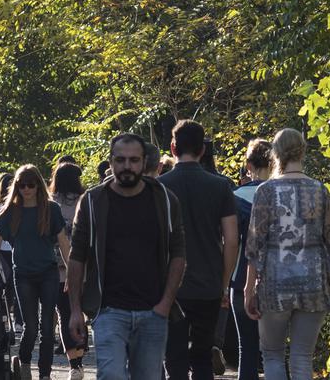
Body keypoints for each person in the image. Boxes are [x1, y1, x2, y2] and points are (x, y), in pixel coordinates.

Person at [67, 133, 186, 380]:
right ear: (111, 162)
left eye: (134, 160)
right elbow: (77, 256)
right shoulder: (92, 201)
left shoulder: (164, 200)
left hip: (153, 311)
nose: (127, 166)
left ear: (144, 163)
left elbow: (178, 254)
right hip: (109, 310)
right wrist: (76, 309)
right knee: (111, 375)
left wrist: (164, 305)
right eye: (120, 160)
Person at [244, 128, 330, 380]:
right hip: (313, 285)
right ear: (303, 150)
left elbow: (255, 245)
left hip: (274, 286)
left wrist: (248, 289)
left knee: (273, 354)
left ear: (275, 153)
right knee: (302, 357)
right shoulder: (320, 190)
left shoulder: (265, 191)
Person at [157, 120, 238, 380]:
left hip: (169, 286)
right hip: (209, 282)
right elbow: (232, 239)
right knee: (202, 355)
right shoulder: (221, 186)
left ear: (172, 148)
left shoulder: (160, 187)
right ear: (203, 150)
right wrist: (224, 283)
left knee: (174, 356)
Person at [0, 165, 71, 380]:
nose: (26, 189)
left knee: (47, 327)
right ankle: (24, 362)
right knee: (31, 326)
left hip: (48, 272)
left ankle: (45, 374)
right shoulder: (11, 211)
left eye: (30, 184)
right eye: (21, 185)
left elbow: (63, 242)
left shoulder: (51, 209)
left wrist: (71, 272)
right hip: (23, 274)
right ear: (16, 187)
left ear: (38, 185)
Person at [230, 139, 272, 380]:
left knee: (246, 346)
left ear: (248, 164)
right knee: (275, 350)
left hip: (240, 278)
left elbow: (231, 242)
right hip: (277, 278)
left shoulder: (236, 197)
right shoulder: (282, 195)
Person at [49, 162, 87, 379]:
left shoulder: (50, 203)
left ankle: (75, 363)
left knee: (65, 313)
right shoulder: (85, 200)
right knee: (82, 310)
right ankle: (81, 355)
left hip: (57, 267)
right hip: (82, 264)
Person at [0, 173, 22, 331]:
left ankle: (19, 321)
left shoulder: (20, 204)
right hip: (0, 250)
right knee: (5, 285)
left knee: (17, 286)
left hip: (16, 249)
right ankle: (5, 318)